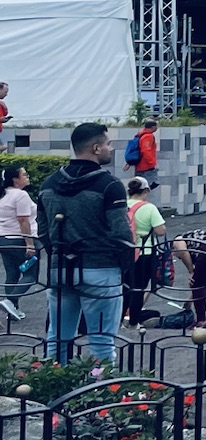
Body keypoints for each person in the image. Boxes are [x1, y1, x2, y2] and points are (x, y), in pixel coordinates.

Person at [38, 123, 129, 361]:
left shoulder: (48, 184)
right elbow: (121, 233)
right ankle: (102, 384)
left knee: (57, 338)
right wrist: (124, 267)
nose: (111, 149)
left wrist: (56, 253)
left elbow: (43, 231)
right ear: (96, 148)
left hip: (60, 269)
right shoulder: (110, 185)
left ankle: (54, 382)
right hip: (101, 269)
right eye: (108, 144)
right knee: (102, 342)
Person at [123, 177, 167, 325]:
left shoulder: (122, 206)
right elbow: (160, 231)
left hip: (125, 252)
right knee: (139, 288)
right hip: (145, 252)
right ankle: (134, 318)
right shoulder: (149, 208)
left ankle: (119, 317)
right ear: (146, 190)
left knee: (125, 287)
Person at [0, 165, 35, 321]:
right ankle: (10, 302)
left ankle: (13, 311)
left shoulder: (3, 194)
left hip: (3, 240)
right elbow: (23, 220)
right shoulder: (21, 195)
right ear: (15, 179)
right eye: (24, 175)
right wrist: (30, 243)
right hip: (18, 240)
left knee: (12, 273)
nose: (27, 177)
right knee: (31, 274)